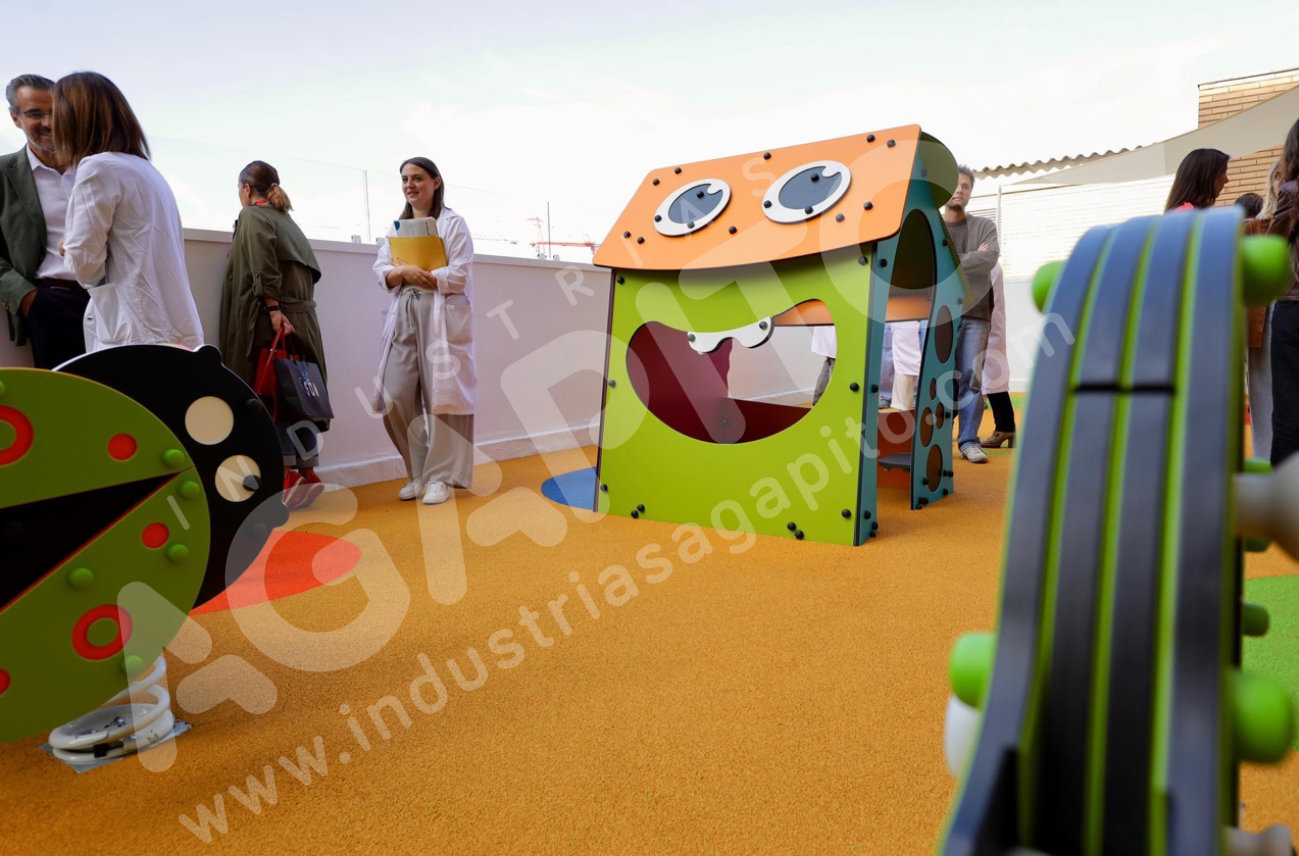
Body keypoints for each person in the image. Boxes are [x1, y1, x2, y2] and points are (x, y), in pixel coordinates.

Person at [54, 71, 201, 351]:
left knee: (122, 394)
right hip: (171, 321)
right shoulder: (146, 170)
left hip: (132, 328)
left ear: (73, 121)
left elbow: (84, 266)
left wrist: (68, 246)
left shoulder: (96, 169)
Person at [219, 160, 327, 508]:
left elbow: (263, 266)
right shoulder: (288, 221)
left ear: (246, 190)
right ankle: (308, 471)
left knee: (272, 394)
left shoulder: (253, 216)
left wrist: (273, 309)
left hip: (271, 320)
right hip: (302, 318)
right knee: (301, 393)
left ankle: (284, 476)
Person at [372, 157, 476, 504]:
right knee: (394, 396)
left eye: (417, 178)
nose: (409, 185)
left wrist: (429, 276)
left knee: (441, 399)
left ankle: (439, 478)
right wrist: (403, 274)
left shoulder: (454, 224)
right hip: (405, 313)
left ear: (435, 182)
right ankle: (417, 471)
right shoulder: (396, 227)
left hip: (440, 313)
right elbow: (382, 268)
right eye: (404, 179)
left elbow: (460, 273)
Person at [0, 74, 89, 368]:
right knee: (64, 405)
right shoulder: (4, 173)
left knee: (123, 401)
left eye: (55, 112)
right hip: (51, 306)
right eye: (35, 114)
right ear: (15, 118)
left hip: (111, 302)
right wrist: (27, 298)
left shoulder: (96, 167)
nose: (49, 123)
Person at [944, 165, 1000, 464]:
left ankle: (968, 440)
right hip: (939, 313)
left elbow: (989, 258)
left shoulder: (984, 226)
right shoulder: (933, 227)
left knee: (971, 378)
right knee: (939, 379)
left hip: (976, 313)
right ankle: (938, 442)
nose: (959, 190)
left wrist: (950, 260)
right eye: (955, 185)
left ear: (970, 192)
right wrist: (970, 259)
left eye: (965, 186)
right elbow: (930, 266)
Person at [1245, 158, 1284, 460]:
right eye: (1276, 176)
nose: (1281, 181)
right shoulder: (1256, 226)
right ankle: (1264, 460)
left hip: (1289, 316)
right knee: (1262, 396)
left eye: (1287, 175)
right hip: (1263, 320)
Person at [1268, 125, 1299, 465]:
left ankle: (1285, 501)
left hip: (1293, 307)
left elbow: (1273, 248)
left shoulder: (1293, 191)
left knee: (1289, 406)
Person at [980, 262, 1016, 448]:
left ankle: (1005, 427)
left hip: (984, 325)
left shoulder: (986, 262)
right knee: (992, 377)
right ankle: (1005, 426)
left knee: (991, 378)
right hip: (988, 325)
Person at [1164, 148, 1230, 211]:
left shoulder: (1189, 212)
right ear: (1207, 177)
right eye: (1223, 173)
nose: (1226, 180)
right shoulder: (1188, 214)